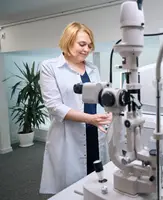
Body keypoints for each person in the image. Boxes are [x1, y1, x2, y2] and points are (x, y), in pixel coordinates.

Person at [39, 22, 112, 194]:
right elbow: (54, 106)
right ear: (68, 40)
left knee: (96, 180)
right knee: (72, 188)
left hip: (95, 131)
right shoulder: (50, 67)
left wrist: (109, 112)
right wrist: (89, 119)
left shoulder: (92, 69)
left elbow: (99, 98)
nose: (87, 49)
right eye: (82, 44)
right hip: (69, 136)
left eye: (89, 45)